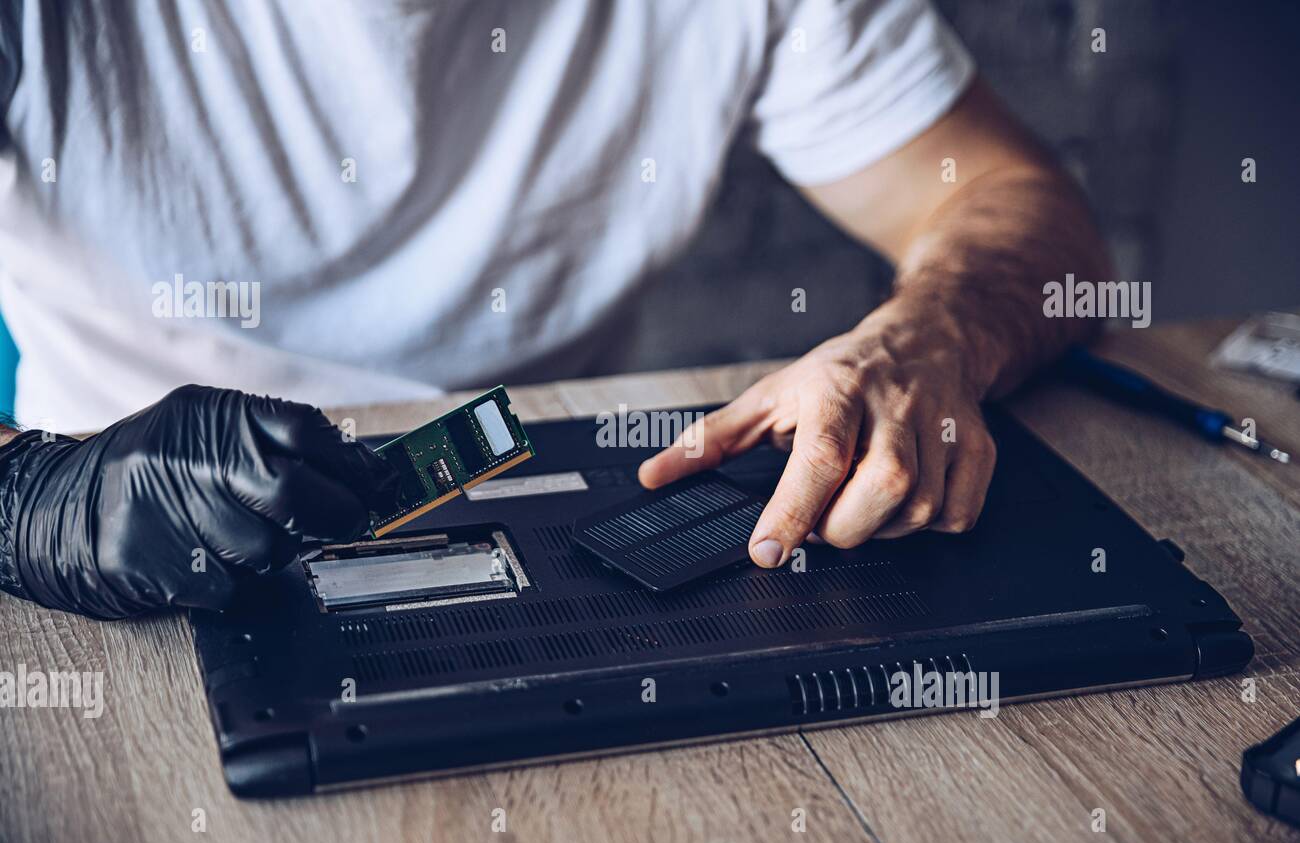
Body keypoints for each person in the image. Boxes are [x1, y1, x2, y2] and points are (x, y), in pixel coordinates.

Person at [0, 0, 1108, 619]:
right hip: (110, 545)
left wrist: (929, 336)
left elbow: (1023, 209)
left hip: (563, 507)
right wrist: (39, 501)